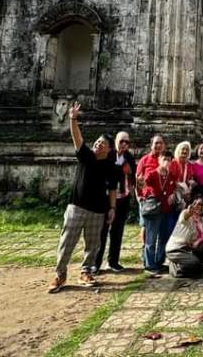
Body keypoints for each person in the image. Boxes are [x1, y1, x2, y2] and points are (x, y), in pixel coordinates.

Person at [49, 102, 118, 293]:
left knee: (93, 244)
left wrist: (112, 209)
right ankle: (60, 274)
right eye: (97, 141)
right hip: (77, 206)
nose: (98, 144)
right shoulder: (86, 155)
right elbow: (77, 138)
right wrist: (73, 118)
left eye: (102, 143)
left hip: (98, 209)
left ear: (109, 149)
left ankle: (86, 271)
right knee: (67, 240)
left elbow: (113, 189)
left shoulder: (111, 167)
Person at [94, 131, 136, 273]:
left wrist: (133, 184)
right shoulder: (109, 155)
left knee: (117, 231)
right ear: (116, 142)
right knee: (102, 231)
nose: (124, 144)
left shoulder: (129, 157)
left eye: (127, 142)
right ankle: (95, 263)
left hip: (123, 198)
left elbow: (133, 176)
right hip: (106, 197)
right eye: (122, 141)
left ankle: (113, 261)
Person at [138, 152, 177, 276]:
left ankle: (159, 262)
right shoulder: (152, 174)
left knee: (163, 238)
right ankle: (149, 265)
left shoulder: (170, 175)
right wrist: (148, 193)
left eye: (169, 159)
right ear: (159, 160)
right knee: (151, 238)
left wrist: (173, 195)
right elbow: (143, 186)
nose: (167, 161)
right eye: (164, 159)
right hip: (154, 211)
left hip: (166, 210)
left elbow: (173, 189)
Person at [165, 197, 203, 278]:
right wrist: (189, 212)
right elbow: (184, 217)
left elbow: (197, 241)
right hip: (175, 249)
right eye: (198, 204)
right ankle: (175, 269)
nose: (200, 207)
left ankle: (195, 266)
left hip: (187, 249)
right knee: (194, 264)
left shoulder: (201, 222)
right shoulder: (185, 214)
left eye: (202, 205)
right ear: (193, 205)